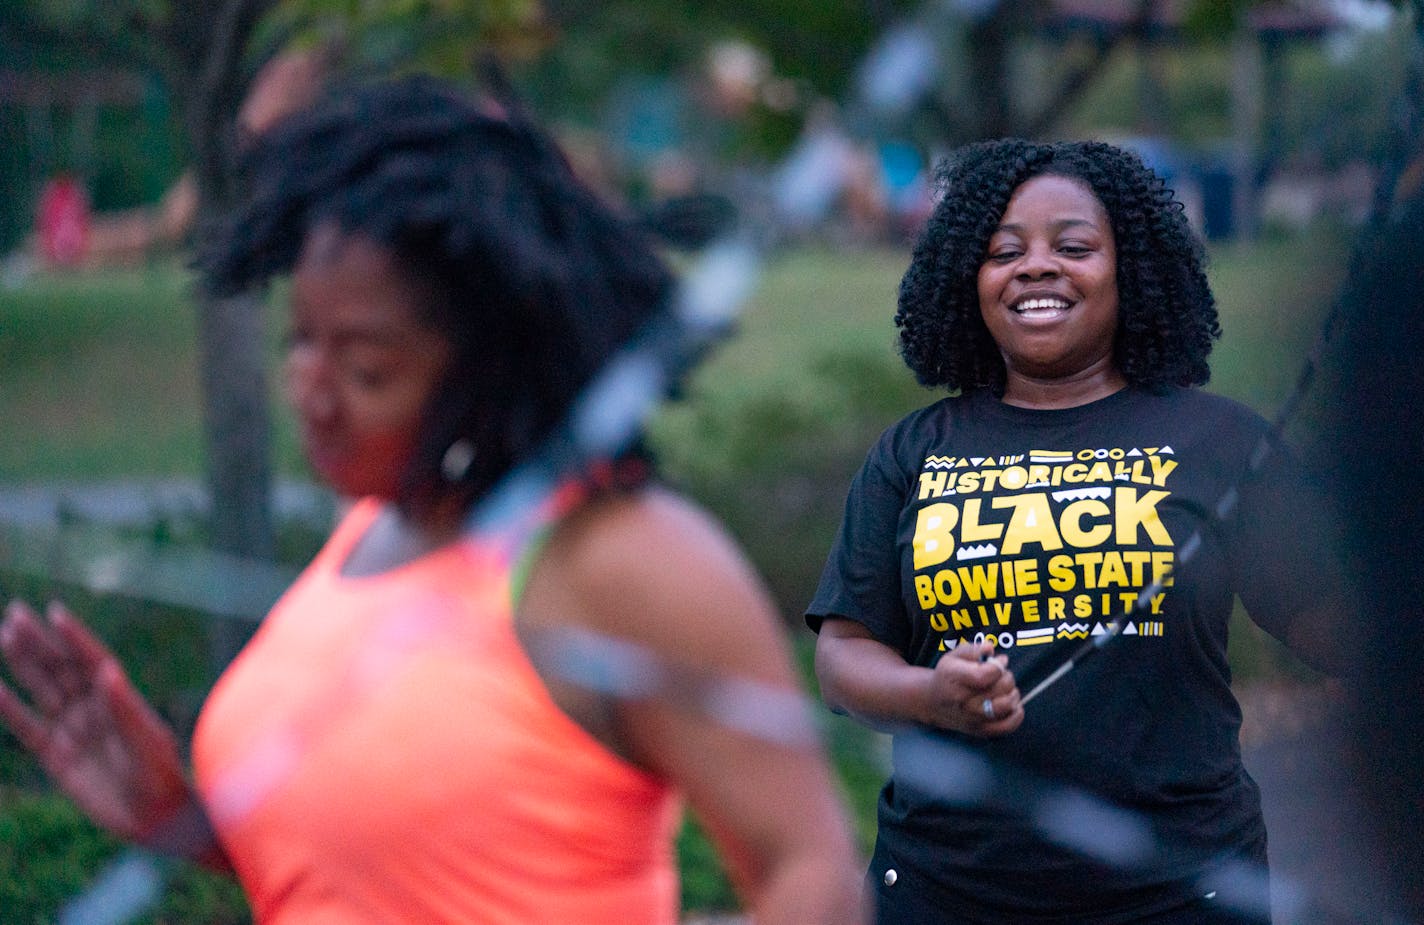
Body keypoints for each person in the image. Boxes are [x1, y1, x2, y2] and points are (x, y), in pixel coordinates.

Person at [0, 75, 865, 925]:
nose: (312, 389)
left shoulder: (617, 558)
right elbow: (396, 870)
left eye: (366, 364)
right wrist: (181, 819)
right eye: (301, 341)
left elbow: (813, 876)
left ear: (488, 362)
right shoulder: (371, 530)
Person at [806, 138, 1345, 924]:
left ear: (1134, 272)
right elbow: (842, 655)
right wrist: (930, 694)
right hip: (947, 890)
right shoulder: (915, 451)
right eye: (1002, 251)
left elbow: (1343, 626)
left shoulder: (1220, 443)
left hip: (1181, 891)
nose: (1035, 267)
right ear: (968, 279)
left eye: (1075, 246)